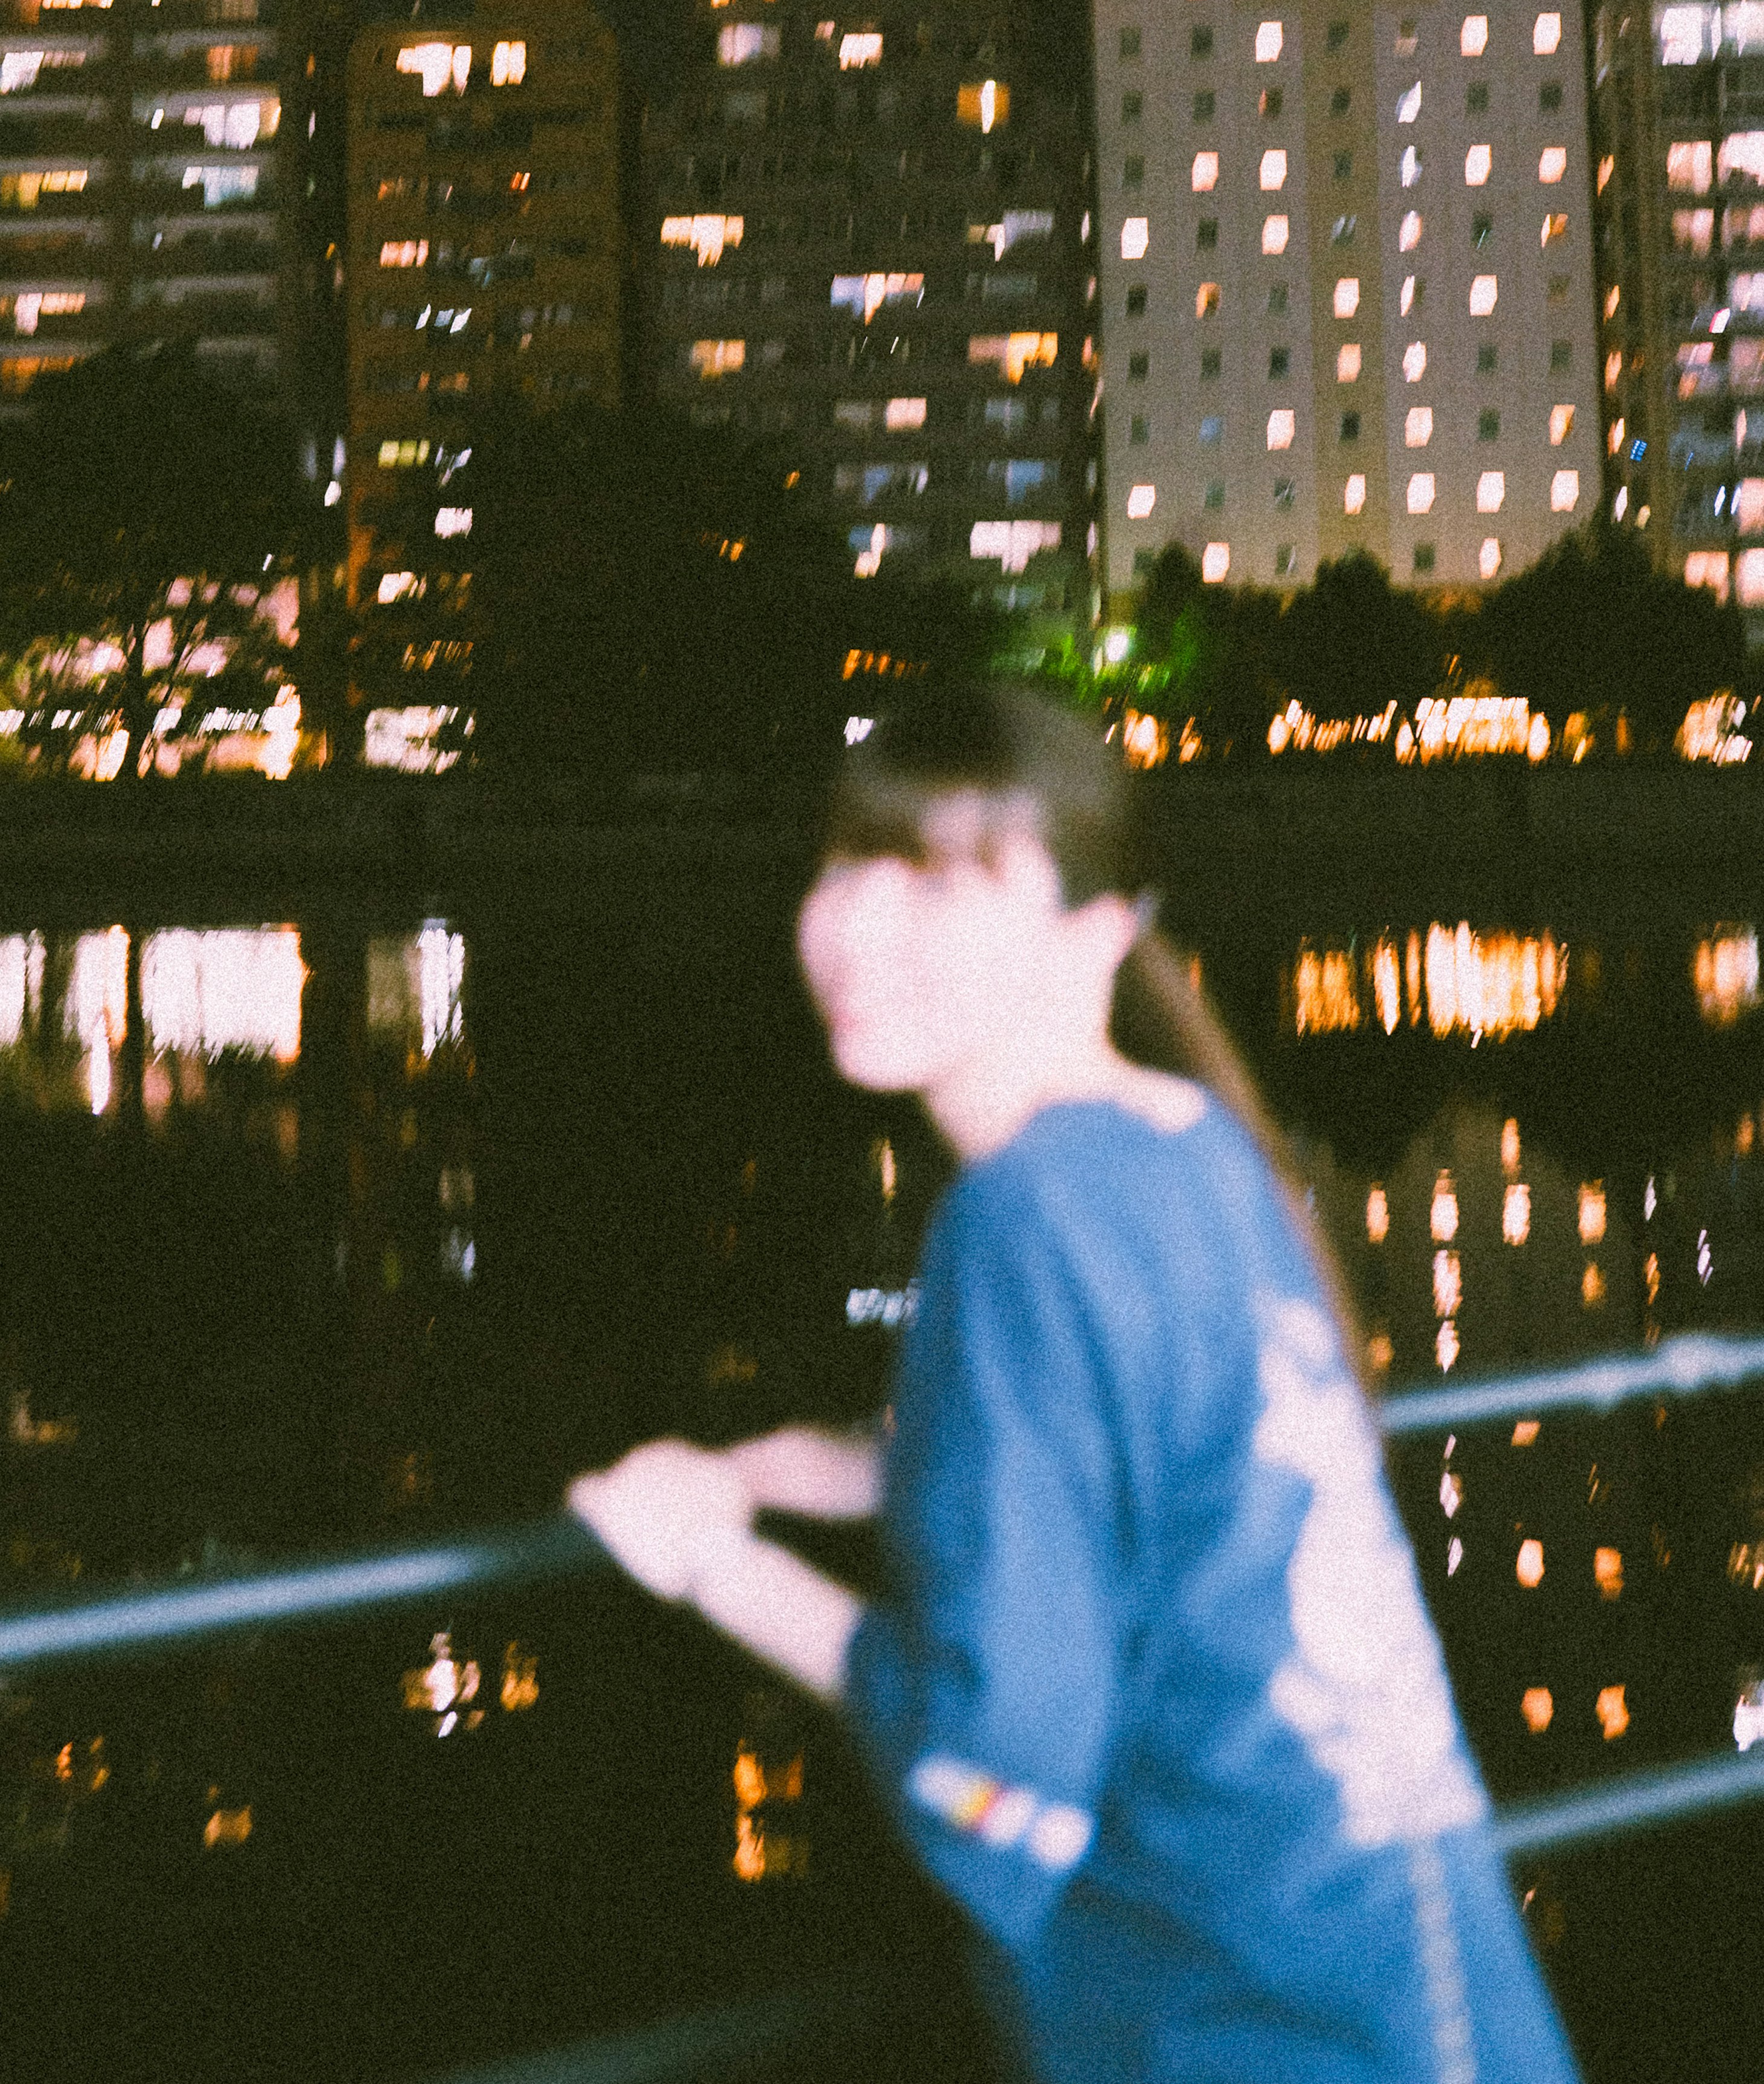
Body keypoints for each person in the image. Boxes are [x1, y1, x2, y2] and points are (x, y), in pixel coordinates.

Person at [568, 684, 1581, 2082]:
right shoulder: (1190, 1143)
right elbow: (1163, 1440)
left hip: (1243, 2017)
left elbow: (998, 1766)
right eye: (850, 865)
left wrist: (706, 1560)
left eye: (943, 884)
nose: (862, 927)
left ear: (1095, 939)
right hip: (1409, 1979)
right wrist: (832, 1462)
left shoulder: (1028, 1213)